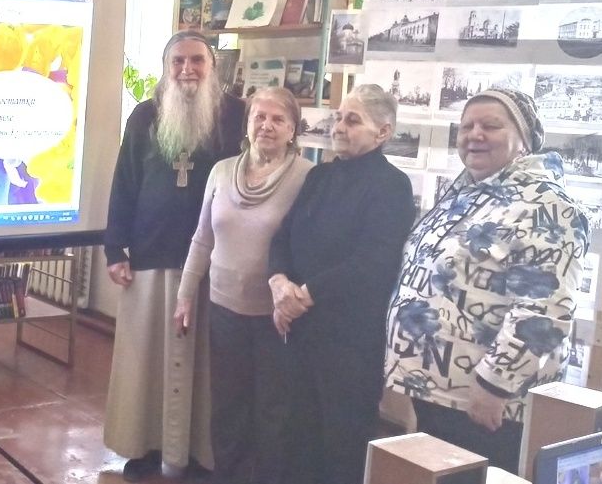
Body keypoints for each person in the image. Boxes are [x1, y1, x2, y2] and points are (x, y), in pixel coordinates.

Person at [384, 88, 587, 472]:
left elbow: (544, 310)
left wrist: (495, 384)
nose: (475, 134)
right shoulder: (469, 190)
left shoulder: (546, 204)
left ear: (523, 140)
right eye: (467, 127)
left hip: (484, 403)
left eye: (491, 126)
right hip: (439, 390)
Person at [103, 30, 245, 481]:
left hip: (214, 263)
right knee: (147, 361)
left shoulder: (236, 115)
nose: (187, 69)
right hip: (150, 254)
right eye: (178, 61)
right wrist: (114, 248)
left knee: (205, 365)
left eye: (197, 60)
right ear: (166, 69)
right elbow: (125, 181)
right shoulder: (145, 116)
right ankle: (145, 447)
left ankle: (202, 453)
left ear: (212, 67)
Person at [267, 83, 415, 484]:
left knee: (340, 445)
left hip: (349, 342)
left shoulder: (392, 186)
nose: (339, 127)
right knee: (295, 437)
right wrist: (279, 284)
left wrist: (304, 295)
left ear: (383, 132)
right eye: (338, 118)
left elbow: (374, 261)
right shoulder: (320, 176)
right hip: (299, 331)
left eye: (352, 120)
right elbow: (283, 237)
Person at [174, 87, 313, 484]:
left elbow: (311, 245)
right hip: (224, 310)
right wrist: (185, 295)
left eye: (278, 119)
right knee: (227, 407)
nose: (266, 125)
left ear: (293, 130)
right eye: (259, 117)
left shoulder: (307, 177)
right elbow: (202, 238)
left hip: (276, 318)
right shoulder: (221, 171)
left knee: (272, 412)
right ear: (247, 123)